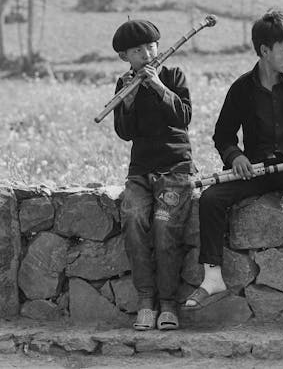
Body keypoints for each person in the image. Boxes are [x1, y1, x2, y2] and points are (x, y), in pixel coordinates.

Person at [184, 10, 283, 310]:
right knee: (211, 198)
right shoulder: (242, 88)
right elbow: (223, 136)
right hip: (253, 170)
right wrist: (236, 156)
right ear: (264, 51)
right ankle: (212, 277)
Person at [111, 18, 194, 332]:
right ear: (125, 58)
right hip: (140, 172)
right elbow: (124, 132)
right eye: (137, 51)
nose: (146, 54)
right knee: (133, 220)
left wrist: (159, 86)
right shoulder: (124, 85)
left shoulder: (173, 75)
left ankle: (169, 303)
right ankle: (146, 301)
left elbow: (183, 117)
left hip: (175, 168)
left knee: (164, 228)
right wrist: (128, 101)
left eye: (150, 47)